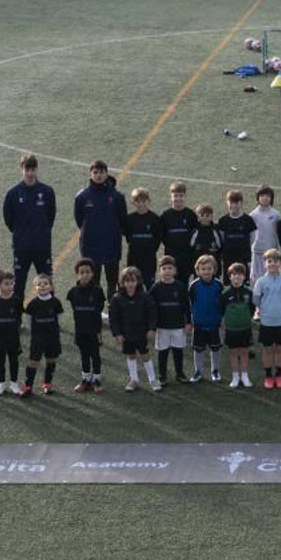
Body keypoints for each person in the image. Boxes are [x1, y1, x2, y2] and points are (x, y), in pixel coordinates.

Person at [1, 154, 54, 302]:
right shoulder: (12, 193)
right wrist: (20, 233)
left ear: (37, 169)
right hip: (21, 247)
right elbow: (8, 219)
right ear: (21, 169)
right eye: (27, 169)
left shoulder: (47, 192)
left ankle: (50, 318)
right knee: (19, 284)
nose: (30, 173)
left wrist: (41, 232)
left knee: (47, 282)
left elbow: (50, 217)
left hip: (42, 246)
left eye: (33, 169)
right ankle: (16, 319)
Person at [72, 160, 127, 301]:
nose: (98, 175)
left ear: (106, 173)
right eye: (95, 172)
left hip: (111, 245)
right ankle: (95, 312)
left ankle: (112, 310)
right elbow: (80, 220)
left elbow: (123, 220)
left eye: (101, 172)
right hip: (90, 246)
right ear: (90, 175)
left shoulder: (117, 196)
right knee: (93, 282)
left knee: (112, 281)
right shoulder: (82, 197)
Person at [109, 265, 159, 392]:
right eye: (127, 281)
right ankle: (134, 380)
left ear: (138, 281)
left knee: (145, 355)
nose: (130, 284)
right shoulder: (117, 298)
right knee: (130, 355)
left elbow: (152, 313)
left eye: (133, 281)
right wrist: (117, 334)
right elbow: (113, 318)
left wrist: (151, 329)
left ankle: (153, 379)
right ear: (122, 283)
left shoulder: (145, 296)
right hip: (126, 334)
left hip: (141, 333)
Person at [66, 257, 107, 393]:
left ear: (92, 273)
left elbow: (100, 307)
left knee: (95, 354)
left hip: (94, 329)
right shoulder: (73, 292)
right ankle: (85, 379)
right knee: (84, 354)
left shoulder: (98, 291)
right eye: (82, 272)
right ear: (78, 274)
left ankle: (96, 380)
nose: (85, 274)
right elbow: (74, 308)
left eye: (88, 272)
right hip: (80, 329)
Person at [253, 248, 281, 389]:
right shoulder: (260, 282)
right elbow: (256, 300)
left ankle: (279, 375)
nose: (273, 264)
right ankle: (269, 376)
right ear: (264, 263)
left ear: (280, 263)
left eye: (276, 261)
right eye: (269, 261)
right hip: (267, 321)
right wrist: (265, 310)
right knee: (268, 349)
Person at [150, 256, 190, 387]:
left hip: (178, 325)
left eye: (170, 268)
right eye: (164, 268)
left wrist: (188, 322)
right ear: (159, 271)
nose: (167, 271)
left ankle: (180, 373)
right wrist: (152, 326)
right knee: (163, 352)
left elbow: (186, 306)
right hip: (162, 327)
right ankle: (162, 375)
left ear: (175, 270)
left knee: (178, 350)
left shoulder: (180, 287)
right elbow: (150, 308)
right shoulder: (155, 288)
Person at [21, 272, 63, 396]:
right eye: (39, 284)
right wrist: (34, 331)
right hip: (38, 337)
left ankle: (47, 384)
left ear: (51, 286)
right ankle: (28, 386)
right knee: (33, 361)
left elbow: (59, 316)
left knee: (51, 360)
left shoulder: (55, 302)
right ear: (35, 288)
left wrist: (55, 329)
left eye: (45, 283)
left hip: (52, 336)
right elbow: (28, 318)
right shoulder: (33, 304)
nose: (43, 286)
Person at [187, 253, 224, 384]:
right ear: (198, 271)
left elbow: (222, 304)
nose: (206, 271)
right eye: (203, 269)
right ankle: (198, 371)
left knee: (215, 348)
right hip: (199, 324)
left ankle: (215, 370)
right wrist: (191, 320)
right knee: (198, 349)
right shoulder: (194, 286)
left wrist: (222, 320)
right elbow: (190, 303)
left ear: (214, 269)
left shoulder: (219, 285)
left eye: (209, 268)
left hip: (215, 323)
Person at [220, 262, 256, 389]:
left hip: (245, 329)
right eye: (234, 275)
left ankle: (245, 376)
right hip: (231, 329)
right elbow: (221, 310)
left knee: (245, 352)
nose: (237, 277)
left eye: (240, 275)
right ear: (229, 277)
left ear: (244, 276)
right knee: (234, 353)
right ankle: (235, 376)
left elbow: (252, 309)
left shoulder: (249, 292)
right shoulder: (225, 293)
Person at [0, 270, 23, 395]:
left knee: (14, 359)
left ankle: (14, 383)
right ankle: (1, 383)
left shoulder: (17, 300)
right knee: (0, 360)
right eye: (6, 284)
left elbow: (19, 316)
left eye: (12, 283)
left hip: (13, 335)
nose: (10, 286)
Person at [122, 187, 164, 288]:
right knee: (133, 285)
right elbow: (127, 236)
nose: (141, 204)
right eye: (138, 201)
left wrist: (150, 249)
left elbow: (157, 238)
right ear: (133, 202)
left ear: (148, 201)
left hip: (149, 259)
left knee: (149, 286)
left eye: (143, 201)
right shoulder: (129, 219)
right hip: (133, 258)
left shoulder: (154, 219)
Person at [158, 182, 198, 275]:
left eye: (181, 196)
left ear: (185, 197)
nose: (178, 198)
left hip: (187, 257)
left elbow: (195, 236)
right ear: (171, 197)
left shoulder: (191, 215)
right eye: (175, 196)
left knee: (184, 284)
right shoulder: (165, 216)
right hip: (170, 258)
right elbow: (161, 236)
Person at [218, 190, 255, 278]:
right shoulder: (223, 221)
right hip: (228, 258)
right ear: (227, 203)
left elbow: (252, 238)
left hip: (244, 257)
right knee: (228, 283)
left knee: (244, 282)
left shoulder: (248, 220)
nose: (234, 205)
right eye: (231, 202)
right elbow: (222, 239)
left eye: (237, 202)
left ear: (241, 203)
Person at [249, 187, 281, 280]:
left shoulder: (276, 214)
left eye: (267, 196)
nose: (265, 198)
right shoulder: (253, 215)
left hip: (272, 251)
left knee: (272, 277)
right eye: (262, 195)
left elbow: (278, 233)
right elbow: (251, 235)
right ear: (258, 198)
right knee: (257, 279)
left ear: (271, 198)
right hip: (258, 252)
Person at [189, 203, 222, 274]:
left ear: (211, 216)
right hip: (199, 267)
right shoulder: (195, 231)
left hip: (213, 268)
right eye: (202, 215)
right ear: (198, 217)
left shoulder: (215, 230)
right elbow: (190, 247)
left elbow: (220, 246)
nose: (204, 218)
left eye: (207, 216)